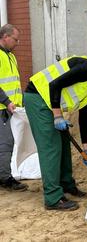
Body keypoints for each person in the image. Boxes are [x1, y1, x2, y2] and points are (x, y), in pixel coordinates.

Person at [23, 56, 87, 211]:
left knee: (63, 142)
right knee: (51, 147)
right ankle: (53, 198)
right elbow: (54, 84)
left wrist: (86, 148)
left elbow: (83, 115)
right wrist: (57, 116)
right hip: (38, 98)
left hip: (48, 101)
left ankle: (66, 184)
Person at [0, 24, 28, 191]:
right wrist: (6, 101)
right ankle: (5, 178)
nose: (17, 43)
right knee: (5, 144)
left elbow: (14, 83)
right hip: (3, 108)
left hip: (11, 108)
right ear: (5, 36)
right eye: (15, 39)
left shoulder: (11, 56)